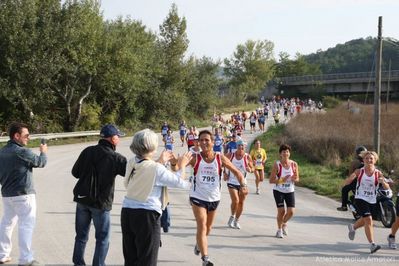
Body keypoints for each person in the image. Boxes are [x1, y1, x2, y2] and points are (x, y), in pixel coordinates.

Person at [121, 129, 191, 266]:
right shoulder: (156, 169)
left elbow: (147, 169)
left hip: (128, 211)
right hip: (147, 214)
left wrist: (160, 161)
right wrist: (182, 165)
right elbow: (180, 183)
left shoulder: (132, 162)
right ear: (152, 146)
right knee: (147, 259)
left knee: (131, 258)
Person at [177, 130, 248, 266]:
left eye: (207, 140)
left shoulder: (220, 158)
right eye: (201, 140)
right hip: (197, 197)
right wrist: (177, 162)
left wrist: (243, 184)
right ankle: (205, 259)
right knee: (202, 225)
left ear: (213, 142)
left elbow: (237, 172)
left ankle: (199, 245)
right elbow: (177, 168)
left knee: (208, 229)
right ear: (198, 142)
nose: (204, 143)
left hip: (214, 198)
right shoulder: (195, 158)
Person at [71, 124, 127, 266]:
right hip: (100, 204)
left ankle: (78, 263)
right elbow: (132, 174)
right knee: (102, 238)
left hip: (82, 200)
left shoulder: (87, 151)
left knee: (81, 236)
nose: (119, 139)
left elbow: (75, 172)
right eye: (117, 137)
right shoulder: (116, 158)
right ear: (112, 138)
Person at [0, 122, 47, 266]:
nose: (28, 138)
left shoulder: (2, 151)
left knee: (7, 224)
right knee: (26, 225)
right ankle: (26, 258)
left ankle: (3, 254)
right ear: (17, 136)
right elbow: (40, 162)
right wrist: (43, 151)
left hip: (7, 194)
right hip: (24, 195)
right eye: (26, 135)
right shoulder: (22, 151)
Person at [346, 151, 390, 254]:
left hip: (372, 199)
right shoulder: (359, 171)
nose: (369, 160)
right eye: (367, 158)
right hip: (360, 198)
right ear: (363, 160)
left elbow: (387, 187)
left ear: (375, 161)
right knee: (369, 220)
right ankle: (372, 245)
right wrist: (350, 179)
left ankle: (353, 227)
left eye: (371, 158)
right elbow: (348, 181)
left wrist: (383, 182)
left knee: (366, 219)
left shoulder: (378, 173)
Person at [269, 144, 299, 239]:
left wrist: (294, 179)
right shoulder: (277, 164)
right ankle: (279, 230)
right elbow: (271, 180)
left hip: (290, 190)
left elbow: (297, 178)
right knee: (281, 211)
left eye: (287, 151)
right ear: (280, 154)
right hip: (279, 190)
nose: (285, 153)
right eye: (283, 152)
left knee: (291, 212)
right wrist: (282, 180)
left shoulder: (294, 164)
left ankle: (283, 223)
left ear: (289, 153)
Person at [224, 140, 253, 230]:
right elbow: (222, 163)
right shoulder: (230, 155)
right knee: (235, 200)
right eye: (239, 146)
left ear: (244, 148)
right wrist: (225, 173)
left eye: (242, 146)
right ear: (237, 146)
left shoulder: (247, 157)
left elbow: (252, 168)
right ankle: (232, 216)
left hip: (242, 183)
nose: (241, 147)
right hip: (232, 181)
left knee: (241, 202)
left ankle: (237, 220)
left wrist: (250, 169)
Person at [337, 146, 367, 211]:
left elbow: (351, 174)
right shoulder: (369, 160)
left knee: (344, 189)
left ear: (356, 153)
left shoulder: (355, 162)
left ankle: (344, 206)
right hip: (368, 182)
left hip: (357, 182)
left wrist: (348, 181)